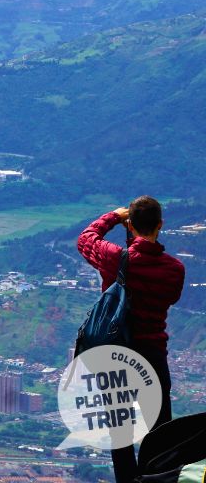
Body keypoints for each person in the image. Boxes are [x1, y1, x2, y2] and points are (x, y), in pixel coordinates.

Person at [77, 196, 185, 483]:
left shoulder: (115, 259)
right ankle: (161, 478)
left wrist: (113, 216)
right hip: (153, 352)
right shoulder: (175, 270)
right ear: (160, 225)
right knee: (161, 428)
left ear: (131, 224)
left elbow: (86, 239)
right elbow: (170, 296)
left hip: (117, 352)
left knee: (119, 429)